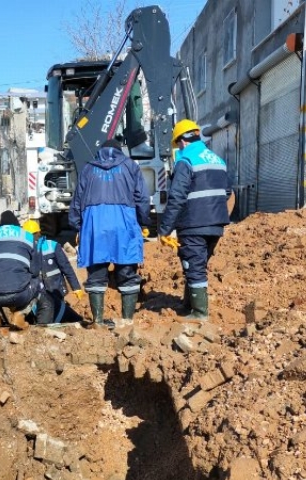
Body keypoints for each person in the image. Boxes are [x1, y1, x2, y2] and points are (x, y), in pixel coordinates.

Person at [69, 139, 151, 328]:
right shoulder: (130, 166)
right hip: (124, 224)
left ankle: (97, 321)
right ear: (119, 150)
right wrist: (144, 221)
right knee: (127, 273)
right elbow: (142, 197)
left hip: (94, 226)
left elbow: (77, 199)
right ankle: (127, 322)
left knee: (96, 274)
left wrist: (76, 225)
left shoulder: (88, 169)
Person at [158, 119, 231, 321]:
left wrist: (164, 229)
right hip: (216, 225)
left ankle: (199, 313)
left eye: (178, 144)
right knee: (196, 263)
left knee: (194, 266)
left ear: (183, 140)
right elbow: (227, 192)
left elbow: (177, 197)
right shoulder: (218, 160)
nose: (178, 148)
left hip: (193, 224)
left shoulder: (185, 161)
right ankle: (189, 305)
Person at [0, 210, 48, 330]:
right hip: (19, 294)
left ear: (0, 226)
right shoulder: (28, 236)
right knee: (37, 281)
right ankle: (20, 314)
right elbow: (35, 271)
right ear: (17, 225)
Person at [21, 219, 84, 324]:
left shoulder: (52, 246)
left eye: (33, 235)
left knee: (57, 313)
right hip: (36, 293)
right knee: (40, 315)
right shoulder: (24, 250)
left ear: (38, 233)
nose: (31, 239)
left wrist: (76, 287)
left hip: (55, 289)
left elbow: (66, 267)